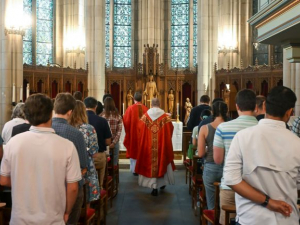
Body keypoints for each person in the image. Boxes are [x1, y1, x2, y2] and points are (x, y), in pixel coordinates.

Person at [0, 94, 81, 224]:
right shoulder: (67, 146)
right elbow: (73, 188)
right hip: (52, 218)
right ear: (51, 114)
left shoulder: (13, 143)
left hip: (20, 219)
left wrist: (26, 183)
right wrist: (67, 212)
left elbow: (3, 180)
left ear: (26, 115)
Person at [224, 86, 299, 225]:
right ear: (289, 112)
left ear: (264, 105)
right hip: (286, 219)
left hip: (251, 219)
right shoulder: (297, 144)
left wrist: (267, 202)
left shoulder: (242, 137)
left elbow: (231, 179)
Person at [213, 89, 258, 225]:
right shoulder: (262, 129)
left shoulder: (223, 128)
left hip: (230, 186)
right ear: (256, 107)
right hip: (256, 188)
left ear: (237, 106)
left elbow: (218, 160)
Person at [52, 93, 87, 225]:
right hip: (69, 187)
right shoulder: (75, 134)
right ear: (70, 112)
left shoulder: (44, 129)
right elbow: (83, 164)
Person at [135, 98, 175, 196]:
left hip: (148, 147)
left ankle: (153, 187)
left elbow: (139, 130)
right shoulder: (165, 117)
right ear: (160, 104)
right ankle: (161, 184)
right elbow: (170, 129)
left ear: (151, 104)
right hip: (162, 146)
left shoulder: (145, 117)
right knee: (161, 162)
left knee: (150, 163)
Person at [198, 101, 228, 210]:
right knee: (227, 204)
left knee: (212, 206)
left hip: (211, 167)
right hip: (228, 167)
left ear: (212, 112)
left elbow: (200, 153)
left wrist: (208, 150)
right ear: (227, 112)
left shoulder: (205, 128)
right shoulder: (229, 127)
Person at [69, 100, 100, 205]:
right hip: (86, 168)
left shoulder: (67, 128)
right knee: (86, 199)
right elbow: (94, 153)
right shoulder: (89, 129)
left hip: (69, 168)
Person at [84, 97, 112, 188]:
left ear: (84, 107)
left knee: (84, 182)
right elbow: (108, 141)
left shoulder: (80, 120)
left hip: (83, 157)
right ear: (95, 107)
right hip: (98, 155)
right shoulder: (102, 121)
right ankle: (98, 192)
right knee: (98, 182)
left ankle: (86, 197)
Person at [123, 92, 148, 174]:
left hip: (133, 134)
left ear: (134, 99)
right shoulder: (146, 109)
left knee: (134, 150)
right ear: (142, 99)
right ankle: (142, 169)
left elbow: (126, 122)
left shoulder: (130, 109)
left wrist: (128, 132)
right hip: (143, 135)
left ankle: (134, 170)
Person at [100, 97, 123, 166]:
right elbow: (119, 132)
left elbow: (100, 131)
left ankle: (106, 173)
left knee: (105, 161)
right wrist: (113, 143)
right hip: (114, 143)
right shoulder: (118, 116)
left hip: (104, 143)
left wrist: (106, 142)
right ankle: (114, 169)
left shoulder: (101, 116)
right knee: (115, 158)